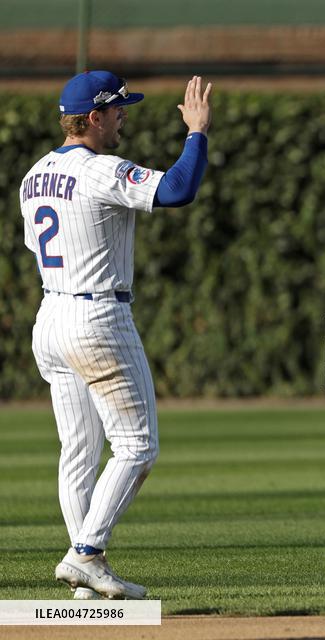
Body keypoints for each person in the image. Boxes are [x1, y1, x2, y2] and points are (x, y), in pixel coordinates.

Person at [19, 71, 212, 599]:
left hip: (51, 316)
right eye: (119, 109)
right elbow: (178, 190)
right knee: (137, 446)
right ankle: (86, 554)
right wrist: (196, 132)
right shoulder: (99, 170)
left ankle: (86, 583)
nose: (125, 115)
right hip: (97, 318)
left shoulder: (34, 174)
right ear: (95, 116)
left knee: (79, 452)